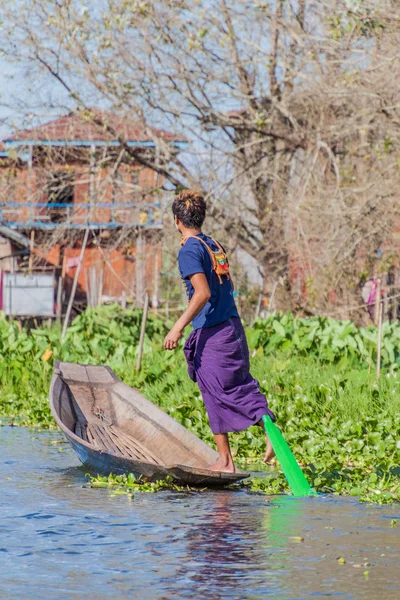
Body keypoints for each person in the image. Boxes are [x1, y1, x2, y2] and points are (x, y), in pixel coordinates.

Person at [163, 190, 276, 473]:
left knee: (221, 389)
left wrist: (177, 327)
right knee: (218, 388)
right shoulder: (212, 244)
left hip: (215, 334)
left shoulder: (189, 248)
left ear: (177, 220)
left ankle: (255, 433)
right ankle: (226, 460)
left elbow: (202, 293)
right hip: (231, 329)